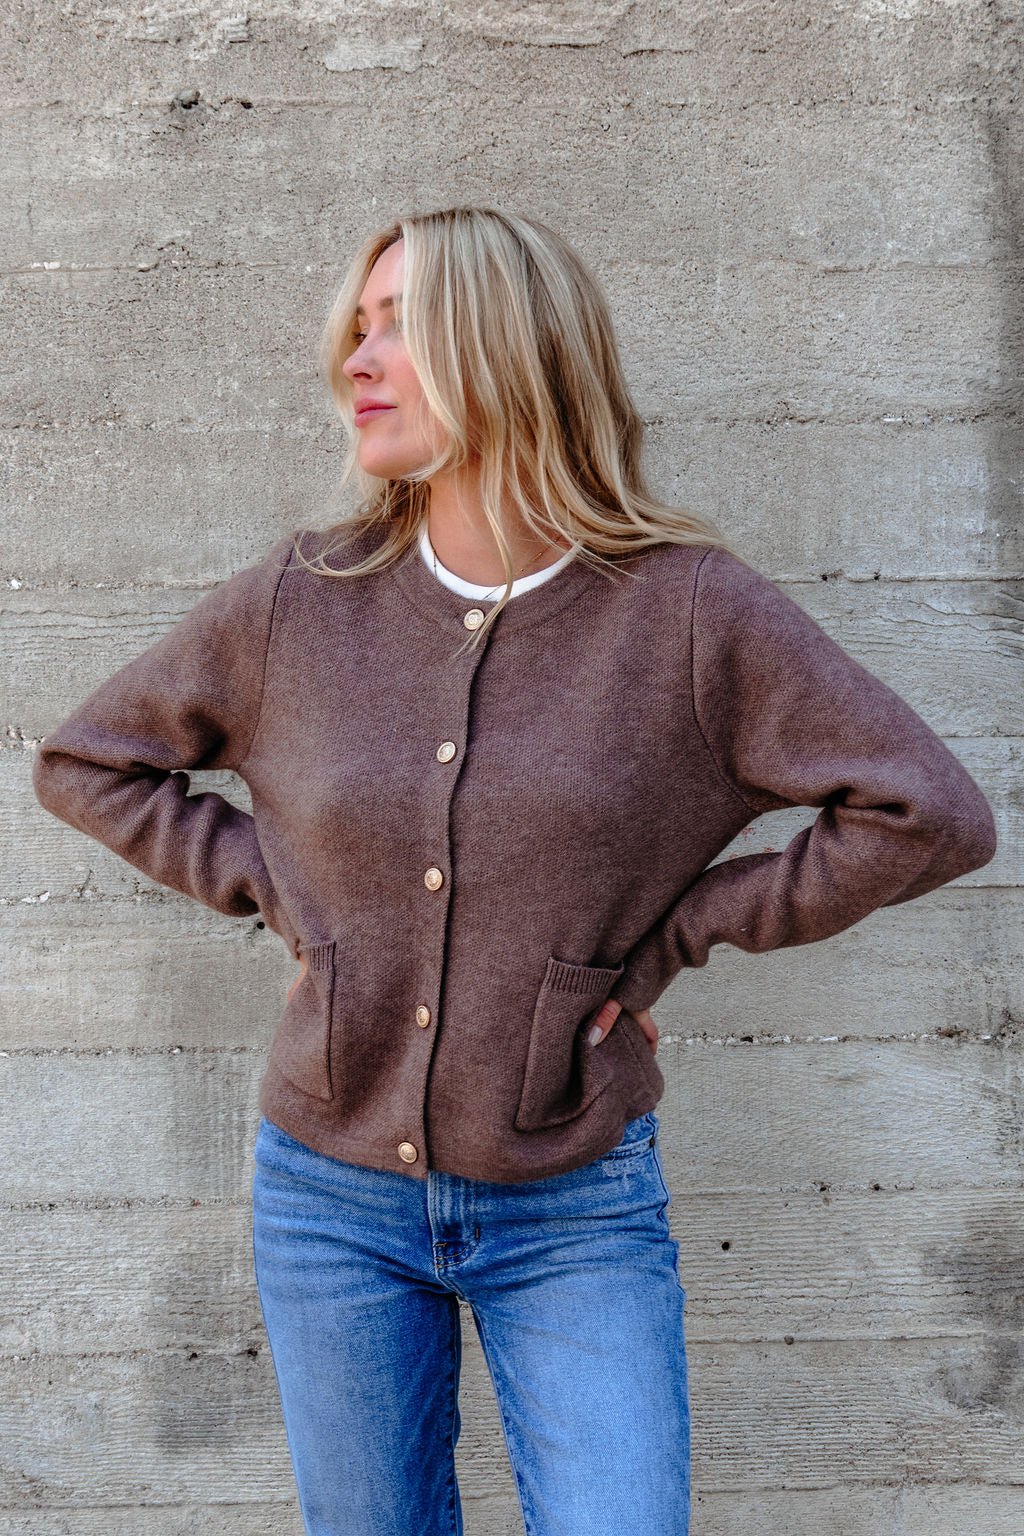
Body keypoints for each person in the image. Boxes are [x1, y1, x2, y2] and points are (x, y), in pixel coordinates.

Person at [31, 205, 998, 1536]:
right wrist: (282, 890)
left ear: (510, 350)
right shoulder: (303, 599)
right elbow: (88, 762)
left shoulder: (687, 611)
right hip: (328, 1196)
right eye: (355, 330)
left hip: (574, 1203)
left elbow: (925, 811)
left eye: (400, 329)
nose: (355, 363)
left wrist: (673, 937)